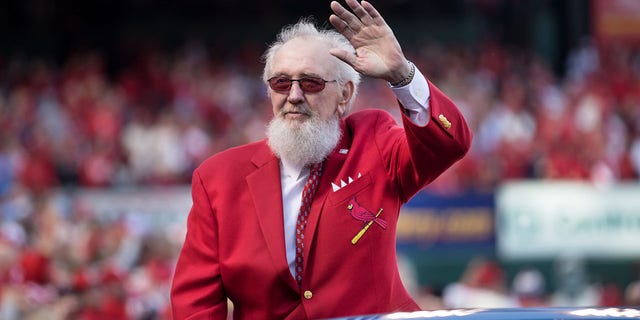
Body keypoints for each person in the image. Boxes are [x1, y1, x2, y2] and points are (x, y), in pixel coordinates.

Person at [170, 0, 472, 319]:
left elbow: (448, 144)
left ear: (344, 95)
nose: (294, 95)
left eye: (311, 83)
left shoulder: (373, 140)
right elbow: (196, 302)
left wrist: (402, 75)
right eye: (281, 83)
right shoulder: (218, 178)